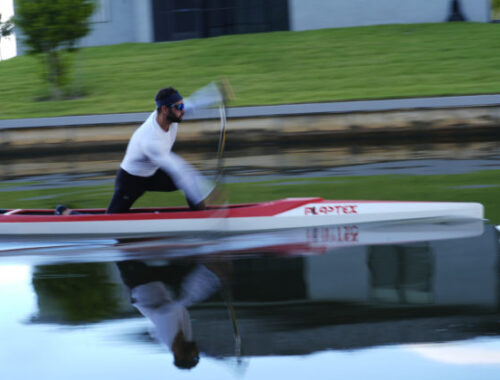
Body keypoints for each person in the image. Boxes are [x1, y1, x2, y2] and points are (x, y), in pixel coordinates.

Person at [106, 82, 225, 213]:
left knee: (190, 185)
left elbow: (193, 103)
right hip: (131, 180)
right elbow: (178, 169)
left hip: (154, 172)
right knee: (111, 216)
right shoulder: (151, 140)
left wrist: (216, 94)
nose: (183, 109)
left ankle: (201, 215)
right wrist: (209, 191)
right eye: (179, 106)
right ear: (164, 109)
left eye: (182, 105)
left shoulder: (172, 114)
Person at [116, 260, 221, 369]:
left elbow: (164, 312)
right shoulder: (185, 339)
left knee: (125, 258)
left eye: (194, 358)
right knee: (187, 273)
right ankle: (209, 263)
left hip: (138, 281)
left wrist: (189, 298)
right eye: (197, 358)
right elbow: (180, 310)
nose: (196, 355)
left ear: (179, 356)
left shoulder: (165, 338)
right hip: (153, 282)